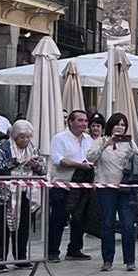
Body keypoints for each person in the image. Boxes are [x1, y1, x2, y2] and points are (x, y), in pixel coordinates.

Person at [0, 119, 43, 268]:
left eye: (28, 137)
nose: (25, 140)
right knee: (2, 228)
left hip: (25, 193)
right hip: (4, 195)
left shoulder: (32, 148)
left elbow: (43, 169)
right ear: (14, 136)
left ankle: (21, 257)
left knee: (23, 226)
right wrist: (14, 162)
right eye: (22, 137)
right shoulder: (3, 147)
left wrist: (35, 165)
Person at [46, 107, 96, 260]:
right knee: (59, 218)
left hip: (83, 184)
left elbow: (95, 157)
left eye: (85, 121)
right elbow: (58, 160)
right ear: (70, 122)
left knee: (80, 217)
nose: (84, 123)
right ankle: (53, 251)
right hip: (63, 184)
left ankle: (74, 249)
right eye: (80, 120)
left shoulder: (89, 140)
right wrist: (80, 165)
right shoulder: (59, 138)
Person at [93, 112, 138, 271]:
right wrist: (105, 144)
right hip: (105, 186)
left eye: (123, 125)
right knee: (107, 223)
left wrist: (131, 155)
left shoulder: (129, 142)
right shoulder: (100, 140)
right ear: (111, 125)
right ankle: (107, 259)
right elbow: (90, 157)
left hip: (125, 187)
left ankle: (130, 260)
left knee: (128, 224)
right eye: (117, 124)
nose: (120, 127)